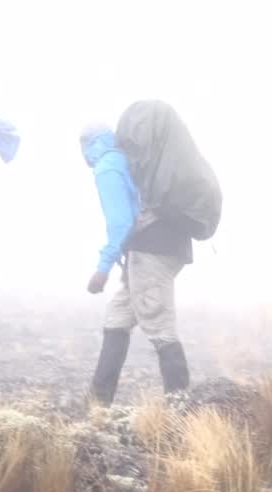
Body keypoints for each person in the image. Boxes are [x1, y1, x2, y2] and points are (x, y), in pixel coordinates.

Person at [81, 122, 192, 405]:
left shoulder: (108, 166)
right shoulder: (129, 159)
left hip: (150, 250)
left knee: (158, 324)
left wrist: (103, 268)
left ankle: (181, 411)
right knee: (117, 318)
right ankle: (98, 404)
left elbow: (121, 222)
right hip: (168, 244)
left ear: (88, 145)